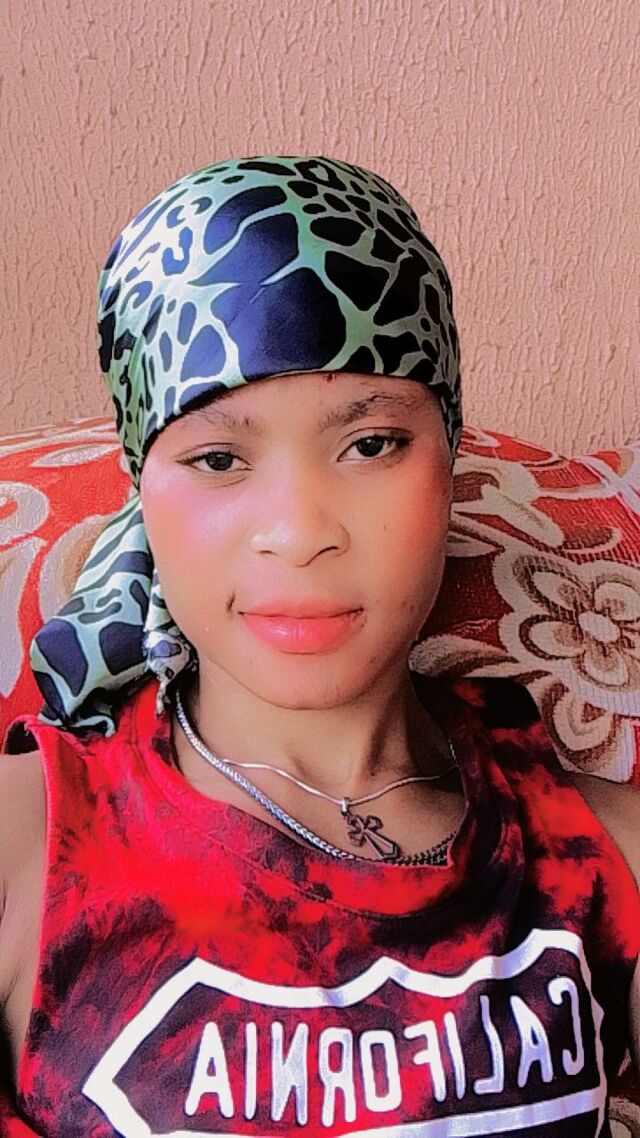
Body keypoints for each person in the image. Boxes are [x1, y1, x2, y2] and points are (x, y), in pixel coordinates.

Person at [0, 155, 638, 1137]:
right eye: (218, 457)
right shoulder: (28, 851)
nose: (298, 531)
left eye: (371, 443)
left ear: (449, 457)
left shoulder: (605, 851)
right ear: (144, 490)